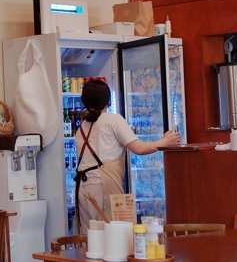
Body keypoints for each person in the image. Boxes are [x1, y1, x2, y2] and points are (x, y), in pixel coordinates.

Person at [74, 79, 179, 234]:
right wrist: (164, 142)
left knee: (91, 236)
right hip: (104, 183)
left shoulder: (83, 126)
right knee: (113, 233)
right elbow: (139, 148)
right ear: (108, 101)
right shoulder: (113, 120)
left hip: (82, 187)